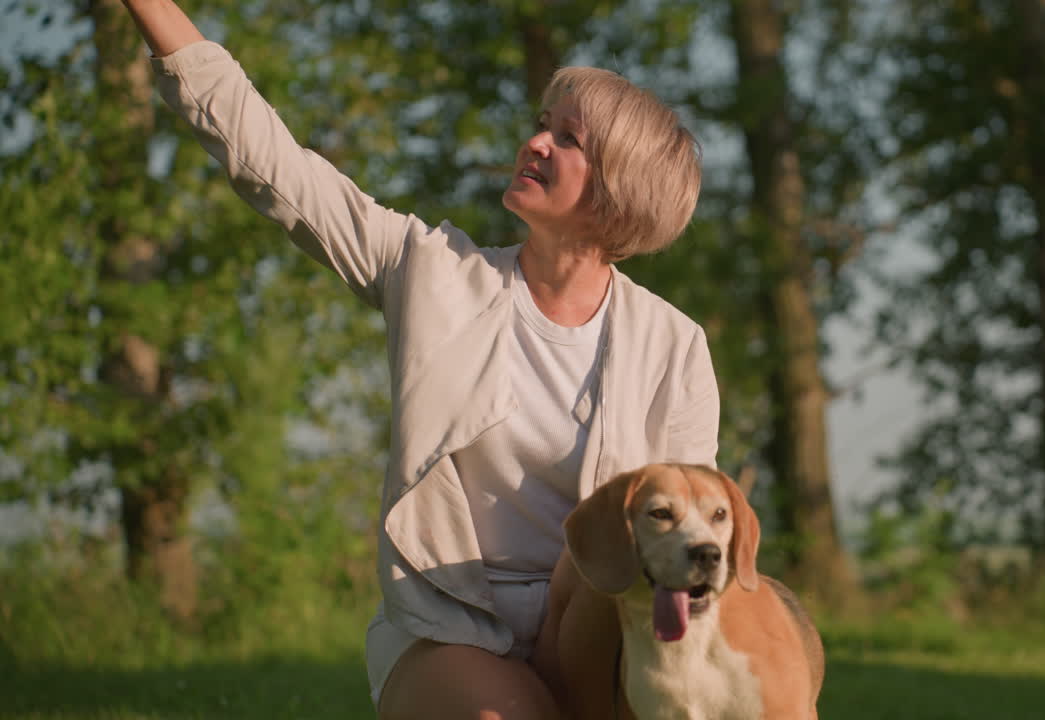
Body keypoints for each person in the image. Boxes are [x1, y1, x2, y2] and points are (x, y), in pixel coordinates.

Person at [120, 2, 720, 718]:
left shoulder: (674, 346)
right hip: (452, 628)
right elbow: (272, 164)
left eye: (566, 139)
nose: (534, 143)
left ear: (620, 188)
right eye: (541, 124)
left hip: (599, 628)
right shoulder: (430, 271)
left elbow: (685, 541)